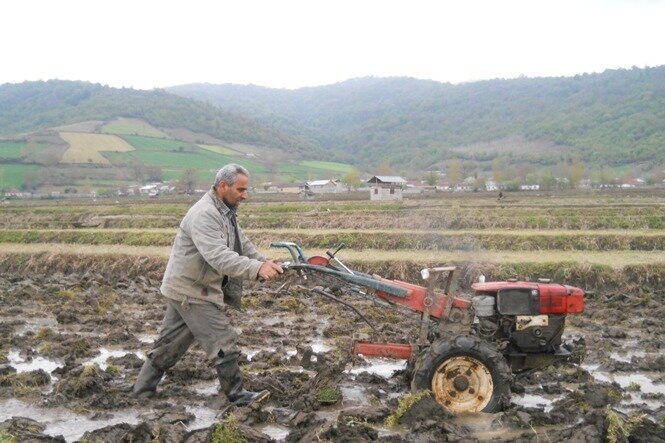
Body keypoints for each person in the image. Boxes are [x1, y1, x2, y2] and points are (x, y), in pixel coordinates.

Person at [132, 164, 283, 406]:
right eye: (241, 189)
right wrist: (256, 270)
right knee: (222, 339)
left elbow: (241, 244)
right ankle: (236, 395)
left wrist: (264, 262)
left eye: (246, 189)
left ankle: (141, 390)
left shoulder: (224, 212)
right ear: (223, 186)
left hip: (186, 287)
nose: (245, 195)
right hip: (192, 291)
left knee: (170, 344)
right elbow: (218, 256)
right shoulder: (205, 214)